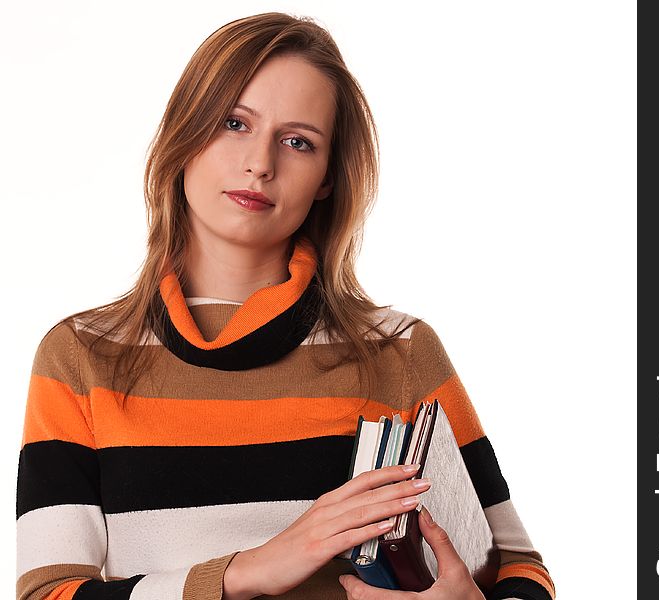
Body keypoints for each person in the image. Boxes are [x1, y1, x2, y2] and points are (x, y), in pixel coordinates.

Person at [15, 12, 555, 600]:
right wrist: (247, 571)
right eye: (233, 123)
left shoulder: (397, 349)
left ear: (327, 177)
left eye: (298, 141)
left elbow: (521, 572)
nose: (261, 163)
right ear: (184, 133)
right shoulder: (81, 355)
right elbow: (47, 594)